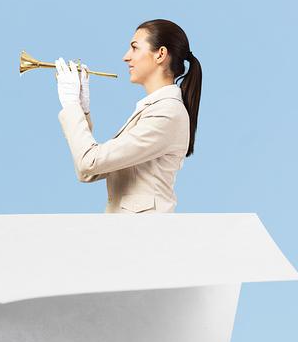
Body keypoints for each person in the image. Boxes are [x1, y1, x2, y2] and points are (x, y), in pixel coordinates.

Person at [54, 19, 202, 213]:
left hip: (143, 234)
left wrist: (72, 106)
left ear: (161, 54)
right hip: (129, 233)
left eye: (134, 48)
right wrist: (82, 110)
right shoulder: (154, 109)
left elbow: (89, 162)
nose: (126, 57)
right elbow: (88, 172)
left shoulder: (167, 113)